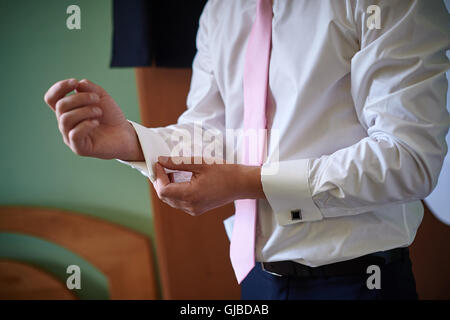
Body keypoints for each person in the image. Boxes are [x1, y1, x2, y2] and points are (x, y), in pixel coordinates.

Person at [44, 0, 449, 299]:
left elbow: (408, 158)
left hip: (360, 283)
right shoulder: (219, 11)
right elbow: (208, 131)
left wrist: (251, 182)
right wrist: (131, 142)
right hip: (255, 283)